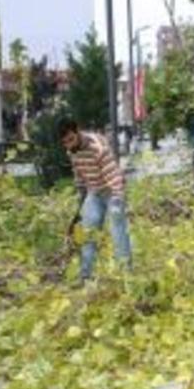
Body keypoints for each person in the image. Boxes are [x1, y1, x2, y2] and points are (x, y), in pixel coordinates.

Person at [58, 118, 133, 280]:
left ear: (78, 130)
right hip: (94, 191)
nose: (69, 145)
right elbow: (79, 176)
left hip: (112, 191)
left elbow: (112, 174)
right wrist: (81, 203)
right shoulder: (72, 151)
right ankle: (85, 276)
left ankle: (127, 275)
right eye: (65, 142)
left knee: (117, 231)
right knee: (87, 232)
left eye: (71, 139)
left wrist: (117, 201)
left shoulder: (97, 147)